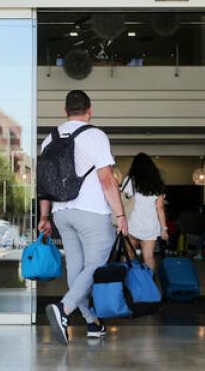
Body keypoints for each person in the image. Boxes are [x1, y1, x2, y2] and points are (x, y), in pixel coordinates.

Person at [38, 90, 128, 346]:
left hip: (61, 213)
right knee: (97, 265)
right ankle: (64, 309)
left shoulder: (49, 139)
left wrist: (45, 216)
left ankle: (93, 322)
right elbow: (107, 179)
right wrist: (120, 214)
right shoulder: (95, 135)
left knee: (77, 269)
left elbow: (44, 183)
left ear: (65, 110)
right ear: (90, 109)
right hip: (91, 211)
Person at [121, 153, 168, 270]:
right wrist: (164, 229)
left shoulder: (129, 180)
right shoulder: (157, 183)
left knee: (129, 255)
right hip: (150, 226)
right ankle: (148, 284)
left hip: (133, 224)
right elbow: (160, 208)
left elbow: (124, 200)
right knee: (148, 257)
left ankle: (128, 283)